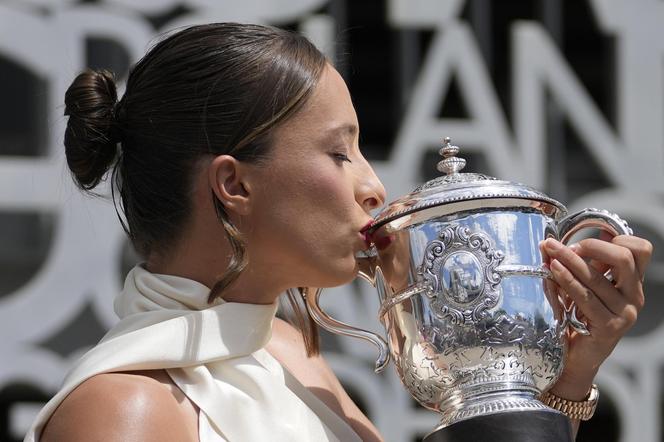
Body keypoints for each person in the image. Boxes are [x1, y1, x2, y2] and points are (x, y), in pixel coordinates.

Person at [25, 22, 651, 442]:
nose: (375, 187)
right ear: (233, 185)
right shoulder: (124, 413)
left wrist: (561, 379)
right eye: (340, 153)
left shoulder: (295, 359)